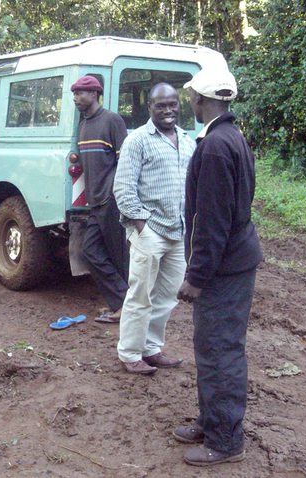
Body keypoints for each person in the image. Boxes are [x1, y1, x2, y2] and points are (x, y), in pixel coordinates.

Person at [174, 68, 263, 465]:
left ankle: (226, 441)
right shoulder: (233, 137)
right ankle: (213, 422)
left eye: (192, 97)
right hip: (235, 261)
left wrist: (196, 277)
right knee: (213, 347)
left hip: (224, 268)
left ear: (200, 100)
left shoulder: (214, 146)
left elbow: (211, 220)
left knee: (220, 351)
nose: (190, 102)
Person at [113, 83, 195, 374]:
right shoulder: (138, 140)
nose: (168, 109)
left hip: (179, 231)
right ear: (150, 107)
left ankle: (151, 348)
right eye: (161, 105)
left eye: (173, 104)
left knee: (167, 295)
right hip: (150, 230)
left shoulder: (187, 140)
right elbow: (123, 188)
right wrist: (141, 226)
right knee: (140, 294)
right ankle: (130, 353)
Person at [71, 75, 129, 323]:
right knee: (91, 251)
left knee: (119, 257)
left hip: (112, 201)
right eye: (74, 94)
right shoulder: (83, 125)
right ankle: (124, 302)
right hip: (95, 203)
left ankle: (126, 308)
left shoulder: (112, 120)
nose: (75, 98)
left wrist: (112, 191)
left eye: (80, 93)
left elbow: (125, 162)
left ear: (94, 94)